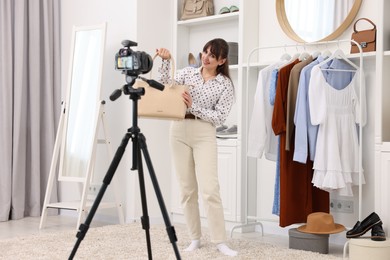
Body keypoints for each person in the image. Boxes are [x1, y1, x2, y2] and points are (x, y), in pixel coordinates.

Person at [156, 38, 237, 257]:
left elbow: (219, 117)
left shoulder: (225, 84)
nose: (206, 57)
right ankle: (195, 238)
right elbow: (165, 83)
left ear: (222, 60)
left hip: (204, 133)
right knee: (187, 189)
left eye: (212, 55)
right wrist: (165, 61)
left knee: (210, 189)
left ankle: (220, 240)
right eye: (204, 52)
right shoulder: (186, 73)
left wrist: (195, 106)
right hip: (178, 129)